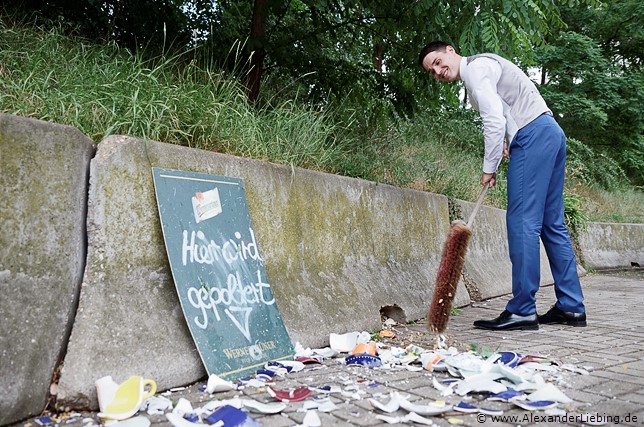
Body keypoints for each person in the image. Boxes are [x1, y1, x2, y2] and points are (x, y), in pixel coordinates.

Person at [418, 41, 586, 330]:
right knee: (551, 224)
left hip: (534, 136)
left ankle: (522, 309)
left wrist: (489, 167)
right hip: (550, 132)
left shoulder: (476, 69)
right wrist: (506, 144)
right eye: (432, 71)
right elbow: (507, 113)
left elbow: (494, 119)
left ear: (449, 50)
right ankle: (571, 306)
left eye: (436, 61)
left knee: (523, 222)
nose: (437, 71)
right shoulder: (480, 72)